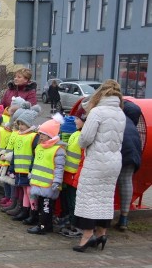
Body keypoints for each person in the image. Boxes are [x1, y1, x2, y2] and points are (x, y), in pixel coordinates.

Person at [73, 80, 125, 251]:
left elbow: (86, 138)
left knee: (88, 198)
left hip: (96, 160)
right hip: (114, 162)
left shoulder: (97, 112)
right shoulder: (120, 113)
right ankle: (102, 233)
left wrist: (81, 141)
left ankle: (87, 236)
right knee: (105, 199)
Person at [26, 119, 66, 235]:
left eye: (43, 134)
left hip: (49, 185)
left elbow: (59, 167)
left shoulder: (58, 150)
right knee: (41, 206)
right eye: (40, 134)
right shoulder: (40, 147)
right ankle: (45, 225)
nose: (41, 136)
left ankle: (42, 226)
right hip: (39, 182)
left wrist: (57, 181)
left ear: (50, 135)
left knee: (46, 207)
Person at [117, 100, 142, 231]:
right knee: (126, 181)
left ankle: (102, 218)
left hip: (119, 150)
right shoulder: (131, 121)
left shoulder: (113, 117)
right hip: (134, 151)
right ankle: (124, 219)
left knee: (107, 183)